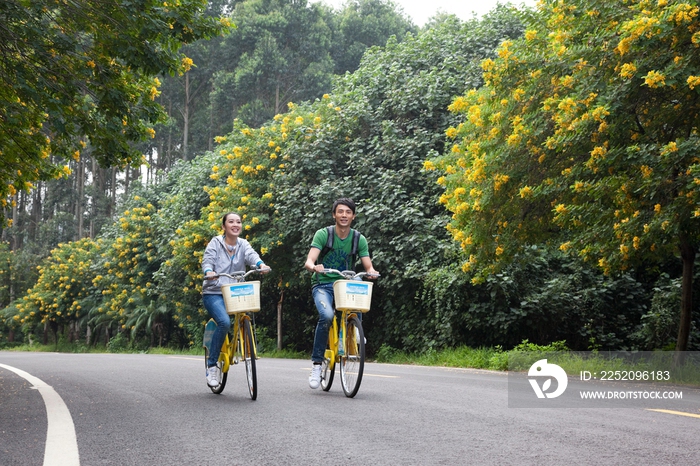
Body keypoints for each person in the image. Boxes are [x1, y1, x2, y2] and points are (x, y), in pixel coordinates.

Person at [303, 198, 379, 389]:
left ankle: (354, 329)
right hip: (323, 285)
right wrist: (314, 267)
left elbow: (367, 264)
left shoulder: (358, 238)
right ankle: (317, 365)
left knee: (359, 282)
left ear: (353, 216)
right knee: (327, 315)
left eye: (348, 212)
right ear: (334, 214)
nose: (344, 215)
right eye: (340, 212)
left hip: (345, 283)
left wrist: (371, 272)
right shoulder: (324, 234)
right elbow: (309, 261)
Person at [202, 212, 270, 387]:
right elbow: (207, 261)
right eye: (231, 222)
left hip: (235, 291)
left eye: (238, 222)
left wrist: (260, 265)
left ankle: (244, 346)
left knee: (247, 314)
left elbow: (252, 256)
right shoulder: (215, 243)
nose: (235, 225)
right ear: (224, 226)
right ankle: (212, 365)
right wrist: (209, 271)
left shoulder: (243, 244)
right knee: (224, 322)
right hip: (214, 292)